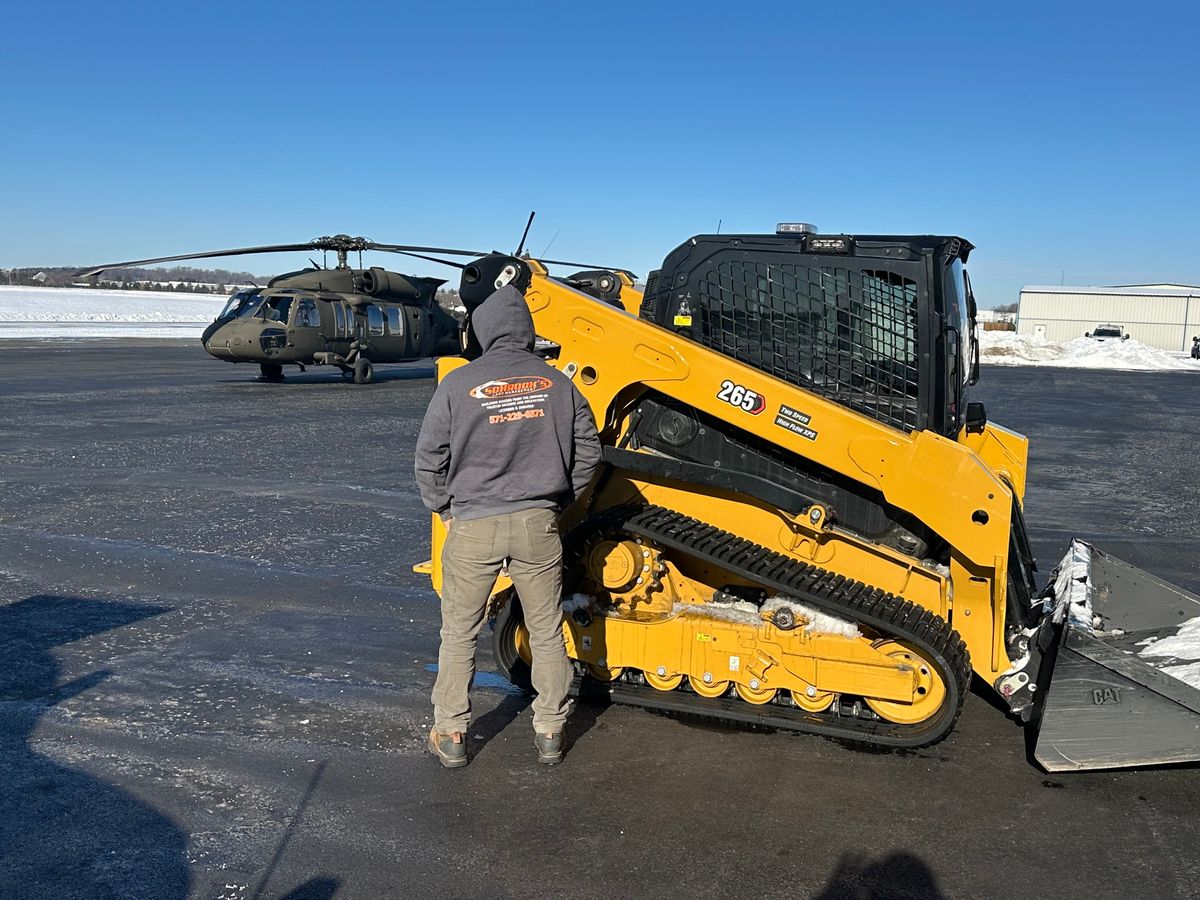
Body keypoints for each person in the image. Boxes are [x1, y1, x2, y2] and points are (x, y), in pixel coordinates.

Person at [414, 283, 602, 768]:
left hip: (474, 523)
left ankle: (453, 733)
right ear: (526, 330)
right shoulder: (559, 384)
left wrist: (446, 509)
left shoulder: (458, 384)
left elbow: (429, 457)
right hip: (537, 523)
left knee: (458, 633)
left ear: (483, 330)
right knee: (545, 630)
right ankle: (551, 732)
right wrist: (558, 503)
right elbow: (589, 455)